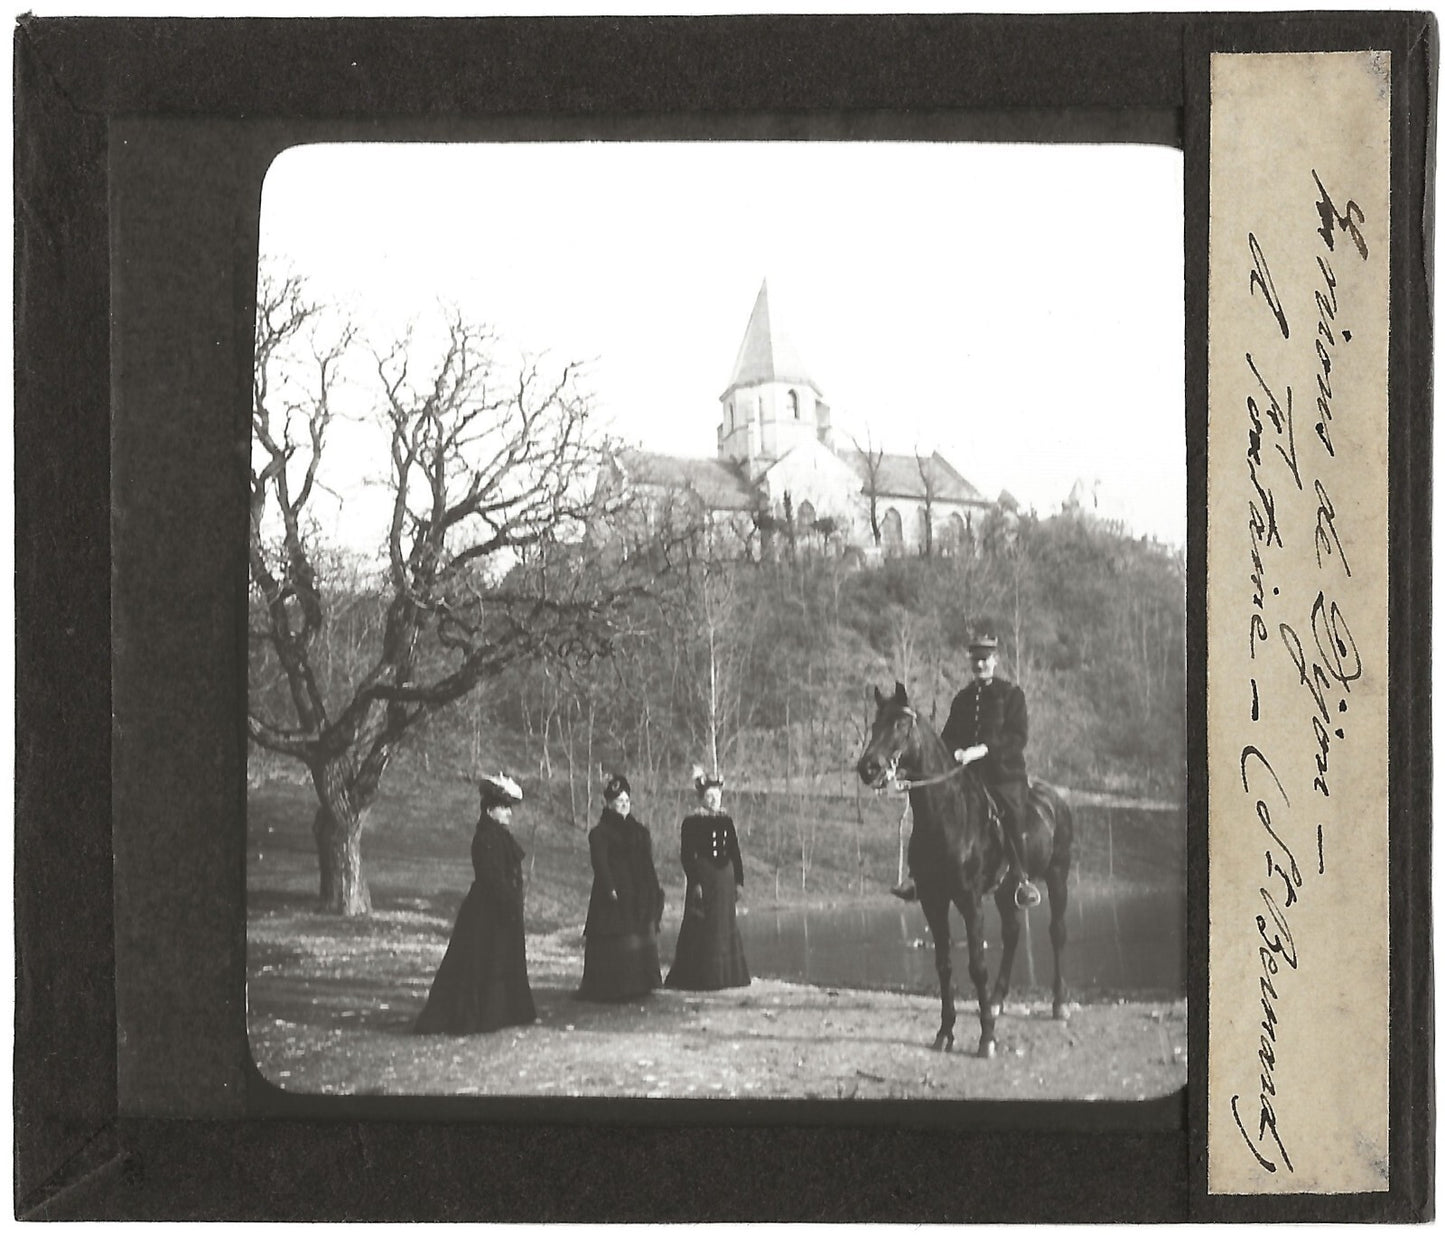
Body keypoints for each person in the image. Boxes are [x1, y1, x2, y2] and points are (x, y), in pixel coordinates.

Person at [892, 630, 1041, 909]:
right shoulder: (962, 699)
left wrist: (981, 750)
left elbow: (1017, 737)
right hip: (967, 775)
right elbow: (948, 738)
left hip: (1004, 775)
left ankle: (1022, 879)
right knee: (930, 812)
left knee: (1010, 810)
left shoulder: (1012, 695)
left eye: (985, 659)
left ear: (995, 660)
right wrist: (943, 759)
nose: (980, 665)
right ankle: (917, 876)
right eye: (975, 660)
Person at [414, 773, 537, 1034]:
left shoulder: (498, 835)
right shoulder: (486, 838)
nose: (509, 814)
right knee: (481, 960)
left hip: (501, 909)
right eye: (504, 809)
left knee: (502, 958)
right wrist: (508, 903)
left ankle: (503, 1012)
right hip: (487, 911)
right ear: (491, 810)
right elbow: (491, 878)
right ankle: (480, 1015)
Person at [577, 773, 665, 1001]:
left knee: (639, 935)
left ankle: (641, 983)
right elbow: (600, 862)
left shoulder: (640, 832)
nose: (623, 806)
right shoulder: (600, 833)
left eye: (626, 802)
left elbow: (647, 863)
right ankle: (611, 987)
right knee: (614, 939)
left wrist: (655, 891)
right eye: (618, 803)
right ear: (608, 804)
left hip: (639, 894)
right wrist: (610, 887)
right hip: (613, 895)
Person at [665, 767, 750, 990]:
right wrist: (696, 882)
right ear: (702, 798)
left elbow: (735, 852)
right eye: (709, 796)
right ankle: (701, 977)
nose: (713, 800)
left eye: (717, 796)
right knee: (702, 925)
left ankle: (728, 976)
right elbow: (686, 856)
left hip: (725, 881)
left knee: (724, 925)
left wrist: (739, 882)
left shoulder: (726, 821)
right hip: (704, 880)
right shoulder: (691, 822)